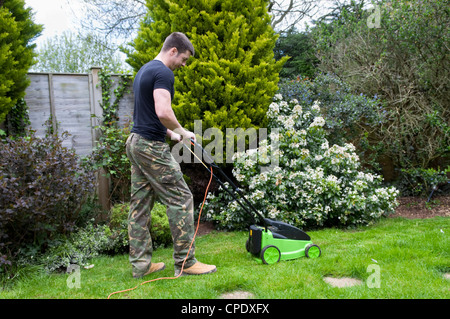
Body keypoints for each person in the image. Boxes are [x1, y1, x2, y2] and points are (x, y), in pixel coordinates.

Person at [125, 32, 217, 278]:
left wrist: (171, 135)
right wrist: (183, 131)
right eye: (184, 59)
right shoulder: (164, 73)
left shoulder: (145, 70)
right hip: (150, 148)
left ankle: (141, 266)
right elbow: (163, 110)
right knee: (181, 198)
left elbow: (149, 116)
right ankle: (186, 262)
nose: (184, 65)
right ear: (173, 50)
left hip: (136, 142)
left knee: (140, 205)